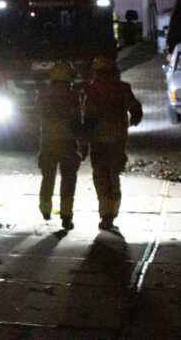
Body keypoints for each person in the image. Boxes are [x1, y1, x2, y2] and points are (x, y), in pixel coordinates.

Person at [83, 55, 142, 232]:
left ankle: (105, 213)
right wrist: (133, 121)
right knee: (114, 175)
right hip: (118, 139)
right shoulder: (123, 88)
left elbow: (87, 116)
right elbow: (135, 109)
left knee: (101, 176)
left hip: (98, 140)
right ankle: (113, 212)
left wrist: (84, 139)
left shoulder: (92, 89)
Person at [36, 60, 83, 230]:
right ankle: (66, 215)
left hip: (48, 142)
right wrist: (82, 144)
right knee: (68, 179)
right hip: (68, 143)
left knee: (48, 177)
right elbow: (77, 121)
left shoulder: (43, 93)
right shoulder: (73, 96)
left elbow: (37, 115)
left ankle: (45, 209)